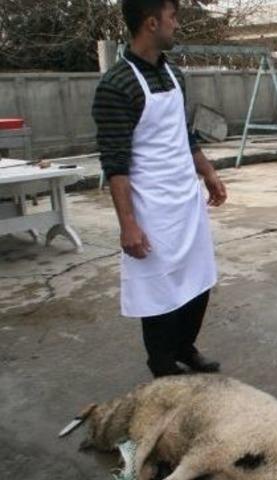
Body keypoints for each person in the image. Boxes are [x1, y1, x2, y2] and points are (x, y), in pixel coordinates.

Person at [92, 0, 226, 377]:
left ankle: (186, 348)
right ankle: (163, 363)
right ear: (151, 23)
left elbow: (184, 133)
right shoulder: (116, 85)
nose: (176, 25)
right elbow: (114, 164)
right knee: (159, 291)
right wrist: (128, 224)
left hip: (185, 198)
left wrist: (208, 172)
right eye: (172, 18)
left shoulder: (173, 74)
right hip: (150, 205)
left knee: (199, 280)